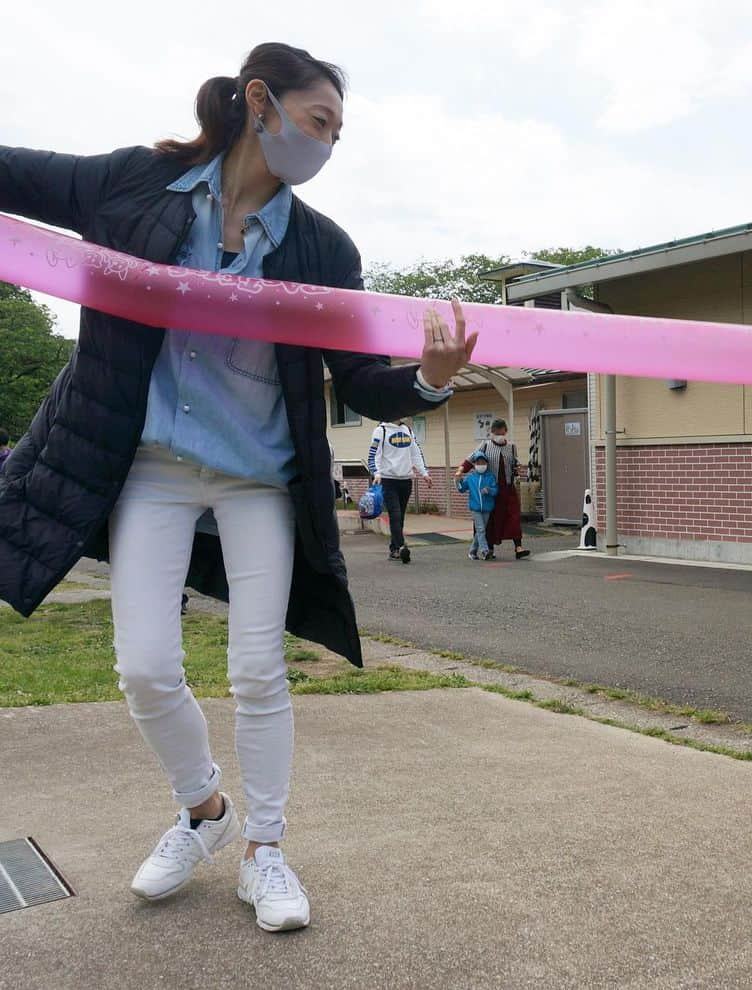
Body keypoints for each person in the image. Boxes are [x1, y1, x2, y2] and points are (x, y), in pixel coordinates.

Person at [0, 42, 477, 933]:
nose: (328, 143)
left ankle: (266, 848)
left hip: (261, 479)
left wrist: (430, 377)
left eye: (338, 131)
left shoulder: (322, 245)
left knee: (259, 671)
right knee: (144, 666)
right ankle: (204, 812)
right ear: (259, 102)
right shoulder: (134, 187)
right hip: (149, 466)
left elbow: (358, 377)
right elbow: (15, 174)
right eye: (318, 121)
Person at [455, 418, 529, 560]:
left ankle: (518, 547)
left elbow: (515, 462)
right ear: (491, 432)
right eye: (496, 433)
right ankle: (488, 548)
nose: (499, 435)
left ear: (506, 431)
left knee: (513, 516)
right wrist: (460, 471)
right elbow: (470, 460)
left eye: (501, 432)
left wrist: (517, 468)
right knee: (489, 520)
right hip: (489, 488)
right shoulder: (485, 445)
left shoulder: (512, 447)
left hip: (508, 487)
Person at [368, 418, 432, 563]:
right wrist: (376, 473)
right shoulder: (381, 431)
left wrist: (424, 473)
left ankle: (394, 549)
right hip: (388, 480)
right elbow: (373, 455)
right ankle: (402, 546)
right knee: (395, 514)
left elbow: (416, 454)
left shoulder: (408, 431)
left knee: (400, 516)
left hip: (406, 480)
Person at [457, 451, 498, 560]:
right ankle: (485, 551)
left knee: (481, 530)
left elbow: (495, 491)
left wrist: (489, 490)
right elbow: (461, 489)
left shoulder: (490, 477)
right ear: (474, 464)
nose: (481, 464)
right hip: (475, 508)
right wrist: (457, 480)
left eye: (483, 462)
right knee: (481, 529)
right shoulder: (471, 478)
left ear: (487, 463)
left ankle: (472, 551)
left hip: (487, 508)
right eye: (478, 462)